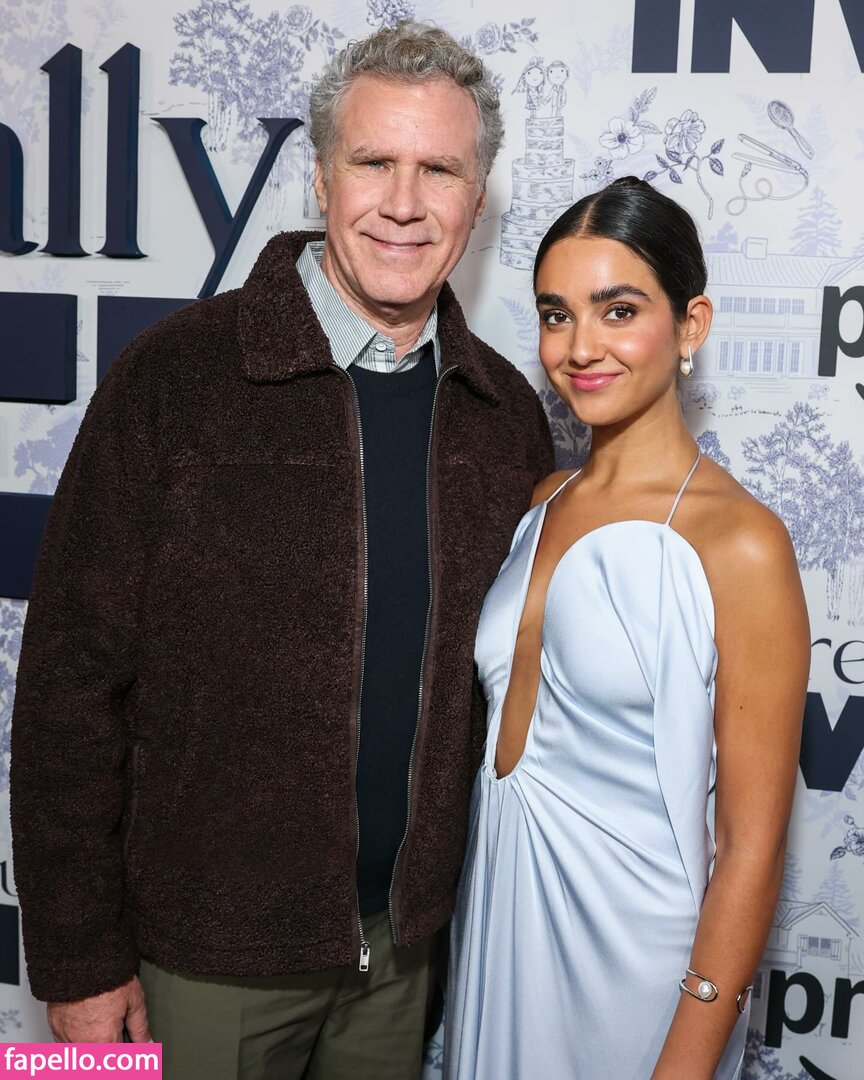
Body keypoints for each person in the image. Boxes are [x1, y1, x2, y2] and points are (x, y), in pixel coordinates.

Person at [10, 21, 554, 1080]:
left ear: (477, 198)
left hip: (403, 959)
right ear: (320, 176)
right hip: (201, 963)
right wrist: (78, 961)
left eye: (440, 170)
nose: (404, 202)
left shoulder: (504, 417)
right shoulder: (176, 380)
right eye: (374, 162)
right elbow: (70, 687)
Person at [445, 176, 809, 1080]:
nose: (580, 347)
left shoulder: (741, 542)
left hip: (635, 968)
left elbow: (752, 849)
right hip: (501, 930)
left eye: (619, 310)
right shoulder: (541, 501)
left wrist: (685, 1063)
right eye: (556, 315)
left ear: (690, 326)